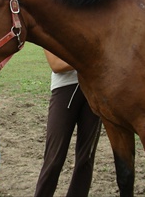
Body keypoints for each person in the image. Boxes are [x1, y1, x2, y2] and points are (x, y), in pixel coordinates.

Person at [34, 50, 102, 197]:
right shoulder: (52, 27)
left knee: (86, 157)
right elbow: (56, 65)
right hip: (64, 89)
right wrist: (91, 59)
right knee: (54, 157)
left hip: (93, 88)